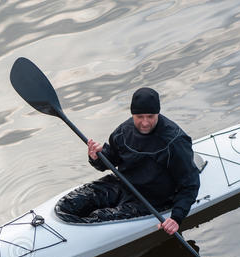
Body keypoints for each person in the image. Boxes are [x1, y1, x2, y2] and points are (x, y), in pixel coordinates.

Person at [54, 87, 200, 235]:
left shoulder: (175, 141)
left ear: (158, 113)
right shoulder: (123, 131)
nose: (145, 123)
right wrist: (98, 157)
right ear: (132, 114)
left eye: (150, 116)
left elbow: (190, 184)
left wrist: (177, 217)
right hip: (123, 183)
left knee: (100, 217)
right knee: (74, 202)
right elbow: (112, 159)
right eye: (139, 117)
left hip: (153, 198)